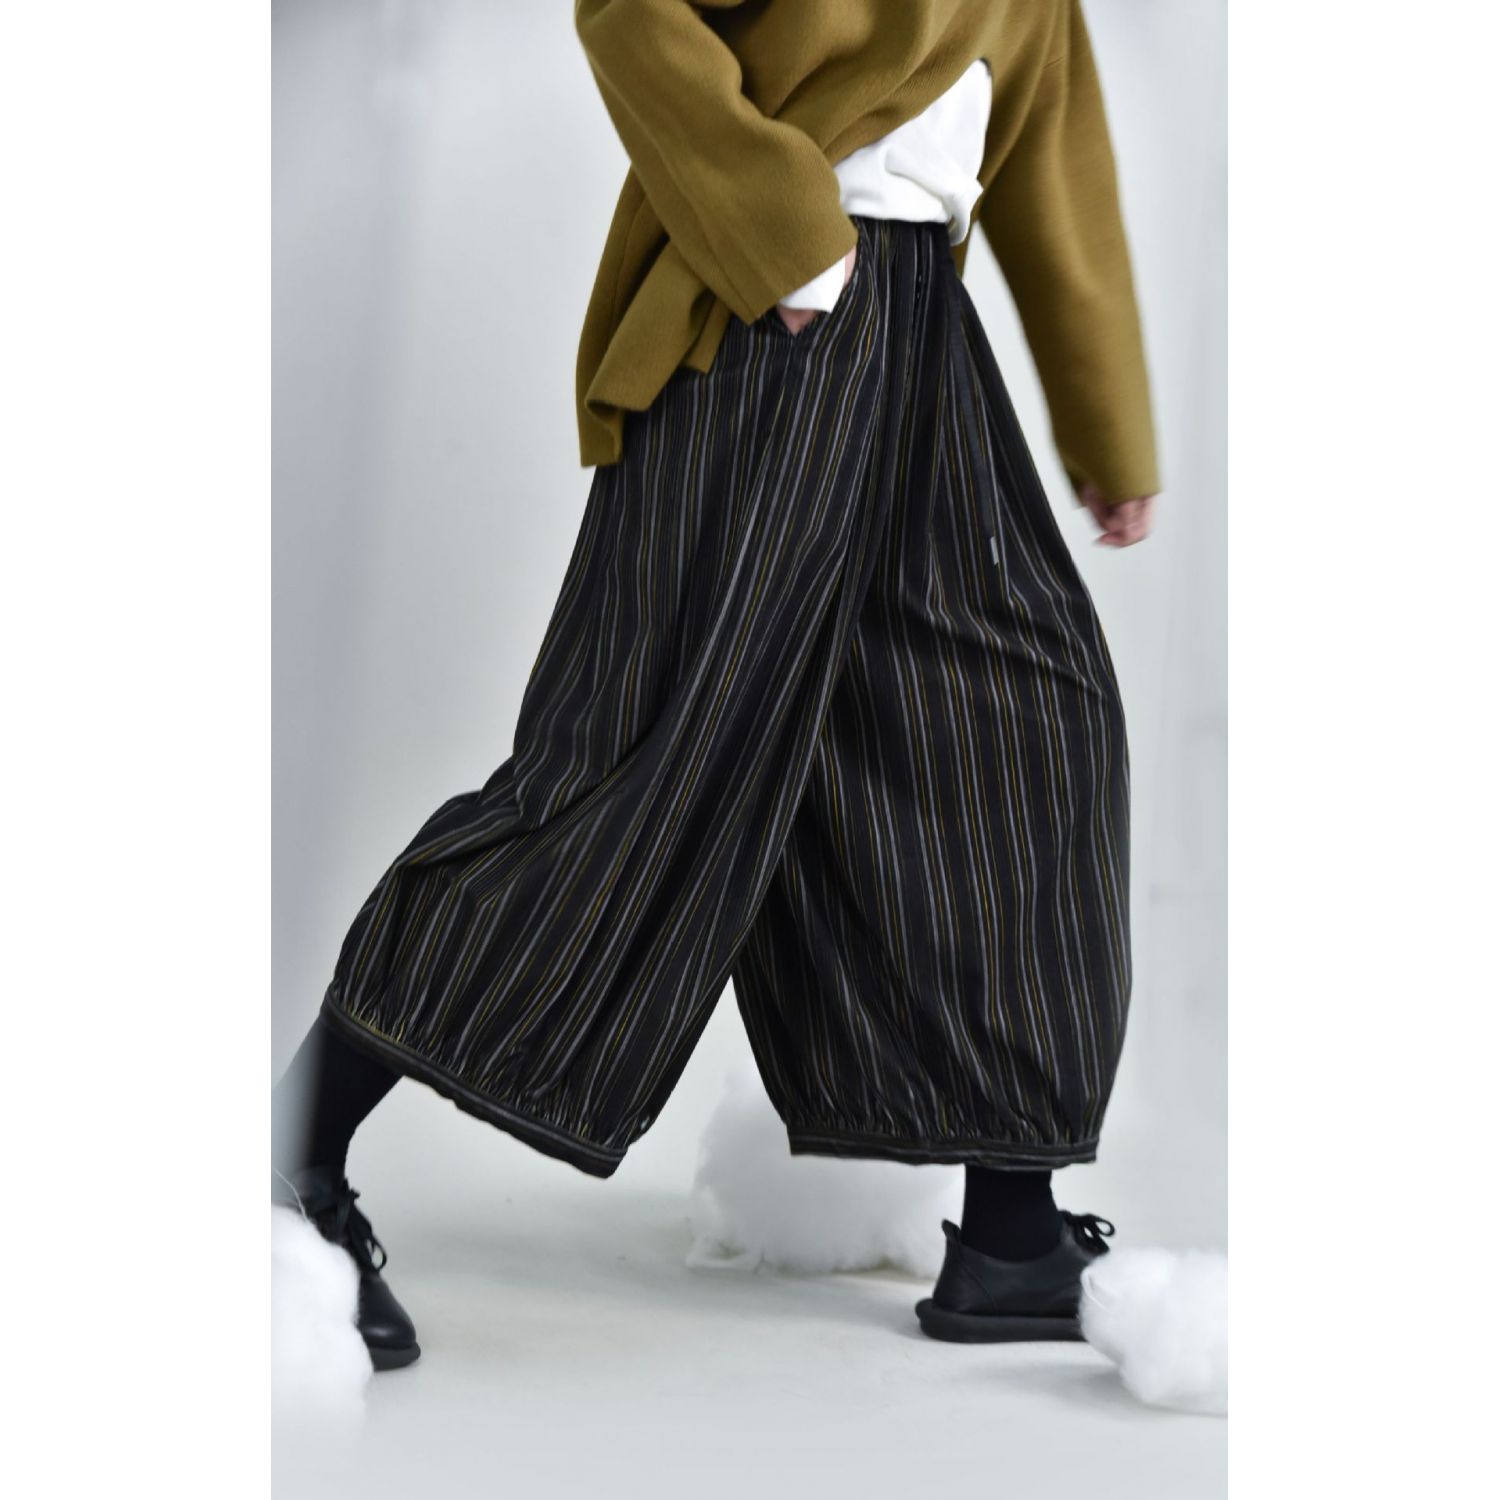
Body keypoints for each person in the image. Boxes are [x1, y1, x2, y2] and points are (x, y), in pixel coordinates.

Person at [273, 0, 1159, 1372]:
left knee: (1026, 730)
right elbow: (632, 15)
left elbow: (1053, 157)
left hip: (924, 332)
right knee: (642, 771)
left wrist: (1109, 429)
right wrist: (782, 238)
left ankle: (1012, 1235)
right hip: (768, 315)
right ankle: (288, 1158)